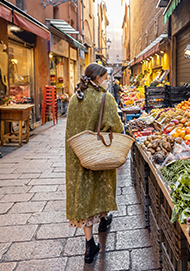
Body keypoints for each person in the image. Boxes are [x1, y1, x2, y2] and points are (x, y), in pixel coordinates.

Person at [65, 63, 123, 264]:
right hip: (99, 154)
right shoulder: (105, 99)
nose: (107, 81)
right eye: (106, 77)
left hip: (78, 156)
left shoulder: (74, 99)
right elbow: (116, 126)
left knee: (83, 195)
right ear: (98, 79)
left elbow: (70, 130)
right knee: (102, 187)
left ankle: (89, 245)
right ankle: (105, 221)